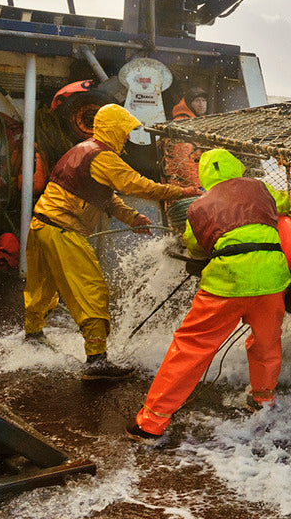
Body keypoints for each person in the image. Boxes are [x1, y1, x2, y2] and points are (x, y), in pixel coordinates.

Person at [23, 103, 202, 379]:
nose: (128, 137)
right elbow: (138, 185)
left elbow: (104, 197)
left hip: (41, 226)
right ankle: (97, 362)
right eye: (125, 131)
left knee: (42, 287)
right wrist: (181, 192)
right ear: (114, 129)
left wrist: (132, 218)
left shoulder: (82, 149)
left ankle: (32, 336)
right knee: (92, 291)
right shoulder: (103, 156)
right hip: (64, 230)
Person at [127, 147, 291, 444]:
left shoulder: (198, 207)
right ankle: (263, 400)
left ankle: (150, 424)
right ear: (237, 168)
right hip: (272, 277)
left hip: (227, 282)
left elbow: (196, 247)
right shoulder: (261, 188)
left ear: (205, 177)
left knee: (192, 347)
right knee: (267, 342)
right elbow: (286, 202)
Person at [163, 86, 208, 188]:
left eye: (204, 100)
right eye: (197, 101)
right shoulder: (183, 124)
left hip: (195, 182)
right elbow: (183, 161)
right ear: (188, 103)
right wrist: (198, 187)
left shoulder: (196, 122)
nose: (201, 104)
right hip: (185, 186)